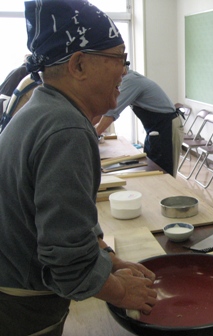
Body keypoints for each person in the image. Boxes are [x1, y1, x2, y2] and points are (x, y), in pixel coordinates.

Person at [0, 1, 157, 335]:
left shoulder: (41, 109)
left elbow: (70, 225)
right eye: (120, 59)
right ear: (79, 65)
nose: (125, 72)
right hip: (22, 307)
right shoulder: (66, 129)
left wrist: (110, 261)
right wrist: (120, 290)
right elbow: (66, 262)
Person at [94, 70, 184, 177]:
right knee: (152, 168)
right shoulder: (125, 79)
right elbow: (105, 109)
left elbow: (111, 113)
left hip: (167, 128)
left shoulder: (130, 81)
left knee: (164, 173)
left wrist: (93, 136)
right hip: (156, 128)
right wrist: (90, 129)